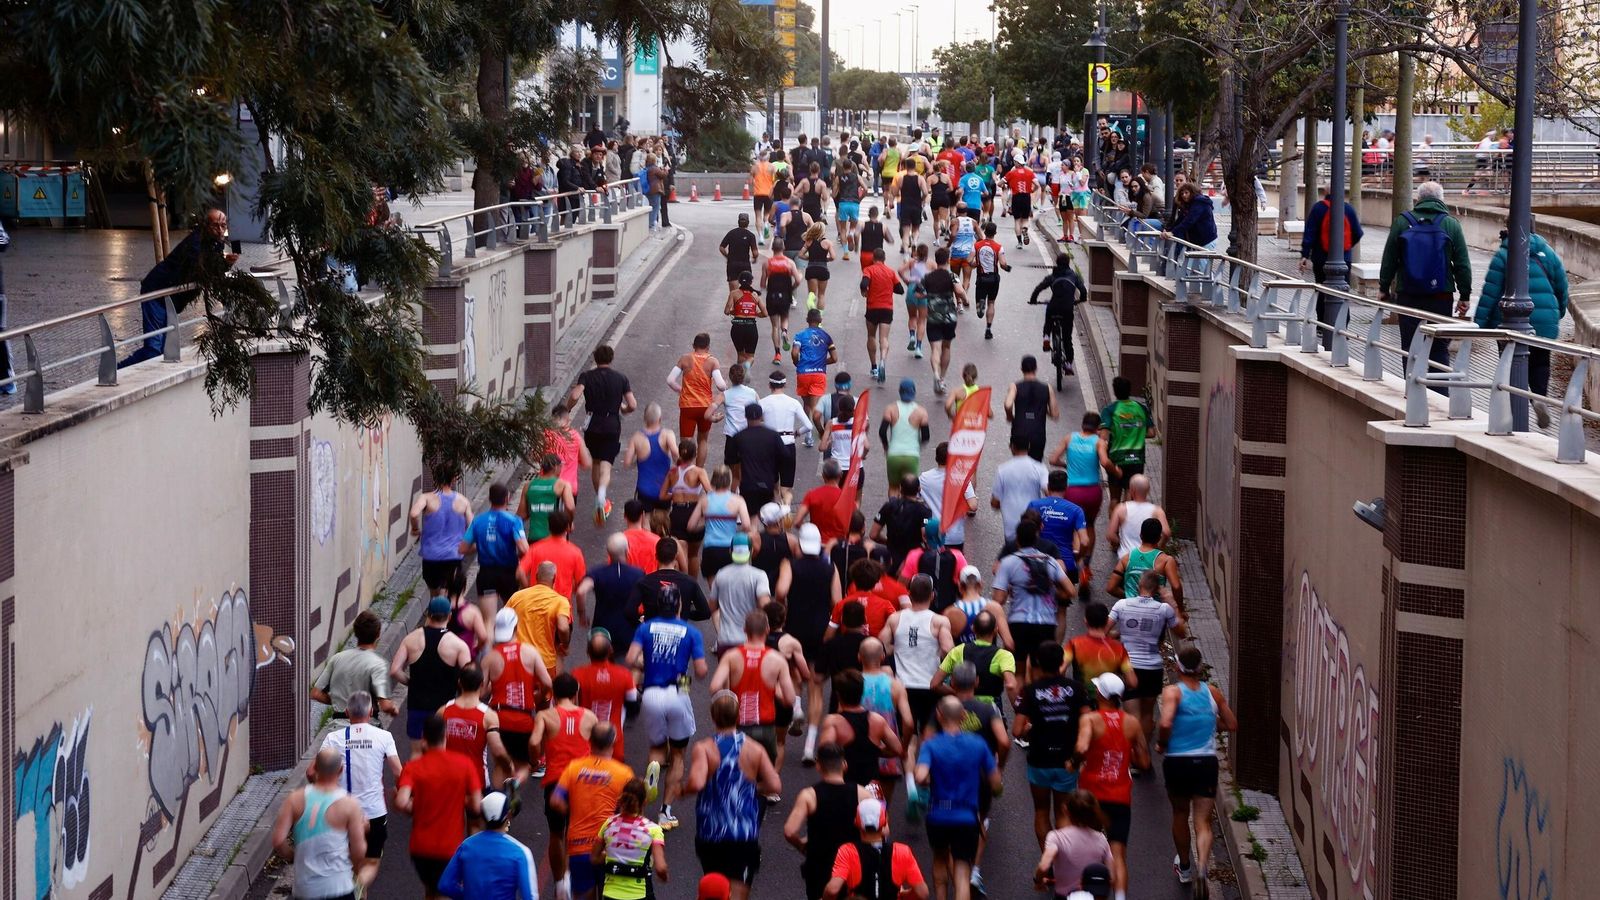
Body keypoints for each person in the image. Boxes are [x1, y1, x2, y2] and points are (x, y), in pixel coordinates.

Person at [686, 692, 783, 900]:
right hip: (743, 833)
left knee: (714, 891)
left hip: (710, 832)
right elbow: (775, 785)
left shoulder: (704, 748)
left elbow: (696, 782)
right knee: (739, 892)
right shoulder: (754, 749)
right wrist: (751, 788)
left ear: (712, 716)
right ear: (738, 716)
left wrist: (682, 790)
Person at [628, 583, 709, 829]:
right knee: (678, 754)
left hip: (651, 693)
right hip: (678, 692)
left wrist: (649, 662)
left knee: (656, 749)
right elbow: (702, 670)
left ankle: (647, 789)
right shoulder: (691, 632)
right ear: (679, 605)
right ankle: (665, 813)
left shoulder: (645, 628)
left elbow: (631, 659)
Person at [1158, 644, 1237, 893]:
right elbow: (1232, 724)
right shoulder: (1212, 692)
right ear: (1200, 667)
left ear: (1177, 667)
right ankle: (1203, 865)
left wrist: (1162, 742)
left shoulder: (1173, 693)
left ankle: (1185, 867)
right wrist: (1211, 727)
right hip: (1206, 762)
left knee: (1180, 814)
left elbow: (1167, 720)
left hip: (1178, 761)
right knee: (1203, 820)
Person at [1377, 181, 1474, 380]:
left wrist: (1384, 287)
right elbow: (1462, 263)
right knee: (1439, 348)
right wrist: (1464, 296)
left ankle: (1412, 392)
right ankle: (1439, 394)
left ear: (1418, 199)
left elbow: (1389, 259)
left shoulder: (1402, 222)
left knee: (1411, 346)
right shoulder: (1450, 224)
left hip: (1408, 295)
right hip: (1441, 296)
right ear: (1441, 199)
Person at [1476, 225, 1571, 426]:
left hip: (1508, 322)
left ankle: (1510, 414)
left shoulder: (1504, 254)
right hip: (1545, 320)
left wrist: (1479, 325)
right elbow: (1562, 287)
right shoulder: (1548, 253)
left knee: (1509, 365)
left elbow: (1490, 292)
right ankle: (1539, 397)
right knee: (1540, 362)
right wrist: (1558, 313)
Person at [120, 207, 239, 366]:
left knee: (163, 349)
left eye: (223, 225)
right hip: (157, 293)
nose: (220, 230)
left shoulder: (215, 244)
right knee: (154, 349)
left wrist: (226, 264)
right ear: (205, 226)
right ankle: (119, 370)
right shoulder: (195, 244)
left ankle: (133, 371)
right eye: (215, 225)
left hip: (171, 300)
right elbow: (203, 270)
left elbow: (211, 269)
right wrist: (225, 264)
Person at [916, 695, 1002, 900]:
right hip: (967, 817)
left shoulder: (931, 745)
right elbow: (996, 783)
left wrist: (927, 778)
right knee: (962, 870)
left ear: (938, 715)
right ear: (963, 716)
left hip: (938, 815)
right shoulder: (978, 744)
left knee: (939, 859)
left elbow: (920, 776)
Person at [1075, 674, 1149, 900]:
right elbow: (1144, 763)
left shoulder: (1090, 720)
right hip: (1119, 796)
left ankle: (1088, 894)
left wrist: (1073, 762)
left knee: (1088, 849)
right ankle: (1119, 897)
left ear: (1100, 694)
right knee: (1117, 854)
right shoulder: (1132, 722)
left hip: (1091, 795)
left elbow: (1081, 747)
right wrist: (1124, 753)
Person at [396, 715, 484, 899]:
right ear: (446, 737)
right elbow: (476, 805)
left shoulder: (413, 767)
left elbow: (402, 801)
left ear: (423, 738)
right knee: (444, 894)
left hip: (420, 848)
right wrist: (459, 798)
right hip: (449, 847)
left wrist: (416, 804)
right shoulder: (464, 764)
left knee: (431, 890)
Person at [1013, 643, 1091, 850]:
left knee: (1041, 811)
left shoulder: (1030, 691)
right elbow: (1087, 721)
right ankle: (1064, 859)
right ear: (1060, 662)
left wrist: (1032, 728)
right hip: (1067, 759)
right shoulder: (1076, 689)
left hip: (1039, 760)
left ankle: (1048, 861)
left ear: (1038, 663)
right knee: (1063, 811)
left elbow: (1017, 730)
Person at [314, 693, 394, 892]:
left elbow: (312, 772)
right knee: (372, 862)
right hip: (374, 812)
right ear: (371, 711)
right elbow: (399, 771)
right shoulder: (384, 736)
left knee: (349, 861)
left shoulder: (333, 738)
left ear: (347, 712)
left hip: (342, 812)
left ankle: (350, 888)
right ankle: (355, 888)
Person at [550, 723, 635, 900]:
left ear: (590, 741)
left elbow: (556, 800)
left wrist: (574, 810)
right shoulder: (624, 773)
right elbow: (633, 811)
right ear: (613, 741)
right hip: (610, 848)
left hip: (578, 847)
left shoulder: (574, 767)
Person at [1109, 571, 1186, 765]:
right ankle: (1141, 755)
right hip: (1153, 667)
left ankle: (1137, 755)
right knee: (1146, 714)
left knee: (1131, 715)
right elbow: (1181, 632)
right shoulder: (1164, 610)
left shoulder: (1122, 605)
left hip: (1129, 667)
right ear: (1157, 590)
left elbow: (1104, 630)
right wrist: (1172, 602)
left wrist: (1120, 634)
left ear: (1138, 586)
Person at [271, 748, 367, 900]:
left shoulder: (294, 799)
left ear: (315, 768)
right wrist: (354, 869)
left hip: (306, 890)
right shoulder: (350, 804)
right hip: (339, 886)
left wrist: (293, 856)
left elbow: (277, 841)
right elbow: (359, 850)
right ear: (341, 770)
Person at [784, 742, 876, 899]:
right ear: (844, 765)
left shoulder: (809, 795)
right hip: (853, 866)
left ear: (818, 766)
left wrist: (802, 846)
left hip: (820, 866)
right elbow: (878, 829)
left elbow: (790, 830)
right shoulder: (863, 794)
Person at [710, 607, 798, 766]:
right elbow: (790, 698)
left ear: (744, 630)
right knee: (766, 774)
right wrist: (776, 693)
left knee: (741, 771)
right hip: (766, 727)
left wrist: (728, 699)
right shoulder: (776, 659)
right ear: (767, 629)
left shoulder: (732, 656)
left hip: (739, 724)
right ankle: (768, 790)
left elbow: (715, 686)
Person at [993, 519, 1076, 680]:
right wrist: (1050, 590)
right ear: (1036, 538)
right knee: (1041, 672)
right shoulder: (1050, 561)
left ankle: (1021, 705)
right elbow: (1071, 591)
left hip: (1019, 623)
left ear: (1017, 539)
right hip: (1046, 623)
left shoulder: (1008, 562)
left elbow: (999, 599)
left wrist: (1012, 589)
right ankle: (1038, 702)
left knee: (1019, 673)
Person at [568, 345, 639, 525]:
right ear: (611, 358)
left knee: (596, 463)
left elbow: (576, 395)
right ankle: (601, 496)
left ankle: (600, 498)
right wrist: (622, 408)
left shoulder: (587, 376)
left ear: (595, 358)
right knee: (606, 465)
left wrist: (567, 409)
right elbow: (632, 404)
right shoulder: (621, 378)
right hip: (612, 424)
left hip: (592, 424)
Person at [390, 597, 473, 749]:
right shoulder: (458, 645)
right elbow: (469, 678)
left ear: (428, 614)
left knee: (417, 753)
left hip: (417, 705)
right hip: (445, 707)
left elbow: (395, 670)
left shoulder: (411, 639)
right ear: (449, 616)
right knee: (443, 753)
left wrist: (411, 682)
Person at [482, 609, 552, 784]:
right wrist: (539, 697)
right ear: (515, 628)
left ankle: (500, 806)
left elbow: (482, 692)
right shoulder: (530, 652)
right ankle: (516, 782)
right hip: (523, 720)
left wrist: (497, 684)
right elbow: (548, 683)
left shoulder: (489, 658)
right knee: (523, 766)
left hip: (498, 720)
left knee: (501, 765)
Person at [884, 574, 953, 738]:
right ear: (932, 595)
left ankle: (909, 763)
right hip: (930, 686)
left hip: (903, 687)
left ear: (909, 594)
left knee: (908, 736)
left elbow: (881, 647)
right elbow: (948, 650)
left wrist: (899, 647)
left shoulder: (895, 619)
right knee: (929, 736)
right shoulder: (939, 621)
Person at [437, 791, 539, 900]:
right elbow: (530, 897)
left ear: (482, 816)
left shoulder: (466, 846)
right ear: (508, 815)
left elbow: (445, 885)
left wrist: (466, 896)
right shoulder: (520, 852)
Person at [823, 797, 929, 899]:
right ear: (884, 822)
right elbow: (922, 893)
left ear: (856, 821)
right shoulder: (902, 851)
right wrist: (903, 896)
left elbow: (832, 889)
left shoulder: (847, 851)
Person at [820, 669, 904, 794]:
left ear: (838, 695)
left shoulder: (833, 722)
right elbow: (897, 749)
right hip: (871, 787)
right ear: (861, 693)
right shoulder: (877, 720)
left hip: (844, 787)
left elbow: (825, 752)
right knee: (876, 813)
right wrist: (876, 751)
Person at [1299, 190, 1365, 349]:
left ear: (1326, 193)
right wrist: (1345, 248)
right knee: (1342, 293)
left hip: (1321, 258)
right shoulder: (1348, 209)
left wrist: (1305, 255)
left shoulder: (1318, 208)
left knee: (1321, 290)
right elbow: (1358, 232)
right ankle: (1342, 325)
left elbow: (1310, 233)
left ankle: (1322, 325)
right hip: (1344, 259)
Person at [593, 778, 669, 900]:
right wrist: (665, 877)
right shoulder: (653, 830)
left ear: (622, 798)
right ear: (644, 802)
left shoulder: (608, 824)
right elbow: (661, 867)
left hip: (610, 894)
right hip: (640, 894)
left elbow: (594, 858)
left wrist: (613, 854)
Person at [312, 610, 398, 718]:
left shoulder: (337, 658)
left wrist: (337, 701)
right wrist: (393, 708)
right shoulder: (378, 664)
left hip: (339, 726)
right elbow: (385, 706)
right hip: (367, 725)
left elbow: (315, 693)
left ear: (355, 632)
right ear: (378, 634)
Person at [439, 667, 514, 787]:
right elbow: (498, 751)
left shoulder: (443, 711)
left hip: (447, 778)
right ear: (482, 684)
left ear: (459, 683)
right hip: (476, 781)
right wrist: (509, 766)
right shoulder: (489, 716)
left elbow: (430, 745)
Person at [465, 481, 533, 612]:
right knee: (513, 618)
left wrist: (482, 544)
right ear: (507, 498)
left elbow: (462, 548)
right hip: (508, 573)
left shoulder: (478, 521)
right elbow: (524, 549)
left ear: (490, 499)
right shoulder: (514, 521)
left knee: (488, 622)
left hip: (486, 573)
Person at [932, 610, 1017, 712]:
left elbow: (935, 684)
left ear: (973, 628)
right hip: (991, 709)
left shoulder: (958, 651)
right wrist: (1019, 711)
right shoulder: (1003, 656)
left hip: (962, 710)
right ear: (996, 630)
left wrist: (958, 693)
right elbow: (1011, 685)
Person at [575, 629, 640, 759]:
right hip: (614, 740)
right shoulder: (624, 675)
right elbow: (633, 703)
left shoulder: (577, 674)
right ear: (610, 650)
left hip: (586, 738)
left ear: (588, 652)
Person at [1033, 792, 1113, 896]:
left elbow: (1044, 866)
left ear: (1066, 811)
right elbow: (1112, 875)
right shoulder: (1101, 839)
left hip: (1064, 895)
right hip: (1091, 895)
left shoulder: (1056, 837)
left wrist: (1039, 882)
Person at [505, 560, 573, 681]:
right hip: (545, 662)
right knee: (544, 696)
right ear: (554, 578)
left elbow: (504, 621)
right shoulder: (560, 601)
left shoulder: (517, 596)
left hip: (519, 658)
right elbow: (563, 627)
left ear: (536, 577)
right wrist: (565, 644)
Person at [410, 463, 472, 596]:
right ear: (454, 479)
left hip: (431, 556)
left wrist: (415, 529)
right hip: (453, 555)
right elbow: (472, 527)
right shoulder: (463, 501)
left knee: (435, 594)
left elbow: (414, 514)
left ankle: (436, 613)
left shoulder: (426, 498)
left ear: (435, 478)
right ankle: (449, 613)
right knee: (451, 593)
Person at [668, 334, 727, 466]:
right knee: (703, 440)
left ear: (693, 346)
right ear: (708, 347)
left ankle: (686, 473)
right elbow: (721, 385)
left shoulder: (685, 359)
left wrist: (680, 390)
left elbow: (670, 380)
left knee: (686, 442)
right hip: (705, 407)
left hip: (687, 407)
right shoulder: (712, 361)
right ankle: (699, 472)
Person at [710, 533, 773, 652]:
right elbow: (765, 605)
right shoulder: (759, 575)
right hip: (751, 640)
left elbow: (712, 607)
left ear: (730, 551)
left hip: (725, 641)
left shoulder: (720, 574)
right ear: (752, 551)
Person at [690, 466, 752, 583]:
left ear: (713, 480)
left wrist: (707, 523)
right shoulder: (738, 500)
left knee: (714, 593)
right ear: (729, 481)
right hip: (730, 548)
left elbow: (691, 526)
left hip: (710, 549)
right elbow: (747, 525)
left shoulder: (705, 500)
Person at [1098, 378, 1153, 507]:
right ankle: (1128, 523)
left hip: (1116, 459)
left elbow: (1103, 436)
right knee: (1131, 493)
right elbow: (1151, 433)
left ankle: (1115, 525)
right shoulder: (1141, 408)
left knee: (1114, 499)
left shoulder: (1110, 410)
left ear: (1115, 391)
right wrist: (1136, 431)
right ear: (1129, 390)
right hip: (1136, 459)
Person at [1106, 517, 1184, 605]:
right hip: (1154, 611)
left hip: (1131, 610)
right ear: (1159, 538)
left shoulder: (1127, 558)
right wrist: (1180, 609)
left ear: (1140, 535)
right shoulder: (1166, 561)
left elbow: (1111, 588)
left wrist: (1129, 596)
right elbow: (1176, 587)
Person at [918, 443, 978, 553]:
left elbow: (915, 497)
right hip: (955, 534)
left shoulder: (924, 478)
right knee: (954, 566)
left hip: (933, 531)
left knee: (933, 566)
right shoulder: (961, 478)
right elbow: (973, 506)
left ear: (937, 458)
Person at [664, 442, 711, 578]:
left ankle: (681, 584)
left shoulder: (672, 472)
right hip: (694, 513)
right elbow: (710, 492)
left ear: (680, 454)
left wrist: (676, 495)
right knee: (693, 555)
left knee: (680, 553)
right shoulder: (699, 472)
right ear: (695, 455)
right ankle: (692, 586)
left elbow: (662, 495)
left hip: (677, 514)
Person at [1032, 256, 1087, 374]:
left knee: (1049, 318)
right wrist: (1082, 299)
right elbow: (1083, 290)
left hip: (1054, 306)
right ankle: (1068, 364)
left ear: (1057, 263)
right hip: (1068, 308)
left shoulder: (1053, 276)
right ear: (1068, 263)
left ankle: (1046, 337)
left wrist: (1033, 300)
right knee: (1067, 338)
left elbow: (1039, 288)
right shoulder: (1074, 276)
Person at [519, 508, 586, 601]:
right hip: (561, 605)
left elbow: (520, 572)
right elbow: (580, 582)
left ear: (549, 527)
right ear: (567, 527)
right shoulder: (575, 552)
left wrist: (528, 588)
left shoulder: (535, 548)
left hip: (537, 602)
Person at [728, 404, 786, 512]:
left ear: (746, 416)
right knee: (768, 516)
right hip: (767, 482)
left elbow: (731, 460)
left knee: (752, 518)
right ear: (761, 416)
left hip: (747, 484)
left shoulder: (738, 437)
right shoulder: (772, 435)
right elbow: (785, 455)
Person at [1064, 602, 1136, 688]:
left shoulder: (1074, 644)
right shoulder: (1119, 648)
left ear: (1085, 621)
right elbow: (1132, 682)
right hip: (1108, 699)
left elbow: (1061, 669)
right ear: (1106, 621)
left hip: (1083, 696)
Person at [991, 435, 1049, 541]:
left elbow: (995, 503)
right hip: (1033, 523)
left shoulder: (1002, 470)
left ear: (1011, 446)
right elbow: (1049, 492)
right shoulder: (1039, 468)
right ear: (1029, 447)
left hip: (1011, 527)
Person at [860, 249, 905, 383]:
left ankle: (874, 367)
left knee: (871, 336)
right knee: (884, 338)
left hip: (872, 308)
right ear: (884, 259)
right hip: (887, 309)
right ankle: (882, 361)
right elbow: (900, 290)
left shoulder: (869, 270)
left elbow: (864, 283)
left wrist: (864, 291)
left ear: (873, 258)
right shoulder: (890, 272)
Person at [624, 404, 678, 516]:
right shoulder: (667, 435)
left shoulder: (636, 437)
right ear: (660, 418)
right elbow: (676, 454)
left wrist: (638, 459)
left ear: (644, 418)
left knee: (646, 523)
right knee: (663, 522)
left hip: (644, 489)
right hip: (664, 488)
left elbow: (627, 463)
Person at [943, 566, 1014, 649]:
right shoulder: (994, 607)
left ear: (960, 586)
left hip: (963, 661)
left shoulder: (950, 613)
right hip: (990, 660)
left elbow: (945, 648)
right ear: (980, 584)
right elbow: (1009, 644)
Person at [1005, 356, 1059, 462]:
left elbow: (1008, 404)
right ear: (1036, 368)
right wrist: (1044, 409)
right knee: (1035, 465)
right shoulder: (1047, 388)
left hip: (1019, 431)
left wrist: (1010, 416)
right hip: (1037, 432)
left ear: (1021, 369)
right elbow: (1055, 414)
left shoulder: (1015, 387)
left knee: (1019, 464)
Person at [1105, 473, 1168, 560]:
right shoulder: (1157, 511)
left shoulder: (1121, 508)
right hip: (1148, 558)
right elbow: (1166, 532)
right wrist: (1158, 547)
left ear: (1131, 490)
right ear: (1148, 490)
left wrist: (1122, 543)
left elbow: (1110, 535)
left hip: (1126, 557)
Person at [762, 247, 803, 363]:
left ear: (773, 248)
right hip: (785, 295)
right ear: (783, 248)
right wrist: (791, 288)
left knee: (774, 326)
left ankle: (777, 354)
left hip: (772, 296)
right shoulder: (789, 263)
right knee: (785, 317)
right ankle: (784, 331)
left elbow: (762, 283)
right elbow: (798, 280)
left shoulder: (767, 263)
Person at [971, 222, 1010, 340]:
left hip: (981, 278)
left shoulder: (977, 245)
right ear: (995, 233)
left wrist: (976, 263)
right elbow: (1003, 264)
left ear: (985, 232)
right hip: (993, 279)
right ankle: (988, 329)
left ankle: (980, 304)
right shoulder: (999, 247)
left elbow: (969, 260)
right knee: (991, 303)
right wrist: (1007, 268)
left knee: (979, 304)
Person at [1163, 182, 1217, 250]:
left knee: (1197, 260)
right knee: (1190, 260)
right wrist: (1168, 229)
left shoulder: (1199, 202)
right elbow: (1180, 219)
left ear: (1192, 192)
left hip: (1206, 241)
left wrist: (1172, 232)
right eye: (1182, 193)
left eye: (1186, 192)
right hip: (1198, 242)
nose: (1184, 195)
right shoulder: (1189, 204)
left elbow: (1189, 220)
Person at [618, 499, 662, 573]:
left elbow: (613, 567)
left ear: (625, 516)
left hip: (628, 583)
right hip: (649, 582)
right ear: (643, 515)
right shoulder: (656, 540)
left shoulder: (618, 542)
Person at [721, 213, 761, 291]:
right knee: (746, 290)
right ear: (748, 223)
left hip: (732, 264)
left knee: (734, 291)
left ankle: (735, 302)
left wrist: (727, 256)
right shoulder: (750, 235)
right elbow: (755, 252)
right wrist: (755, 258)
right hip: (745, 264)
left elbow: (721, 247)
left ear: (738, 222)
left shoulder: (731, 233)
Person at [1003, 158, 1037, 245]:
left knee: (1017, 220)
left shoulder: (1012, 173)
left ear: (1017, 162)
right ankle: (1025, 229)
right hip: (1026, 197)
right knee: (1025, 219)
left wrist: (1007, 185)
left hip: (1016, 197)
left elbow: (1000, 183)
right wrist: (1032, 190)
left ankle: (1019, 242)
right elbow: (1037, 184)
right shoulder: (1030, 172)